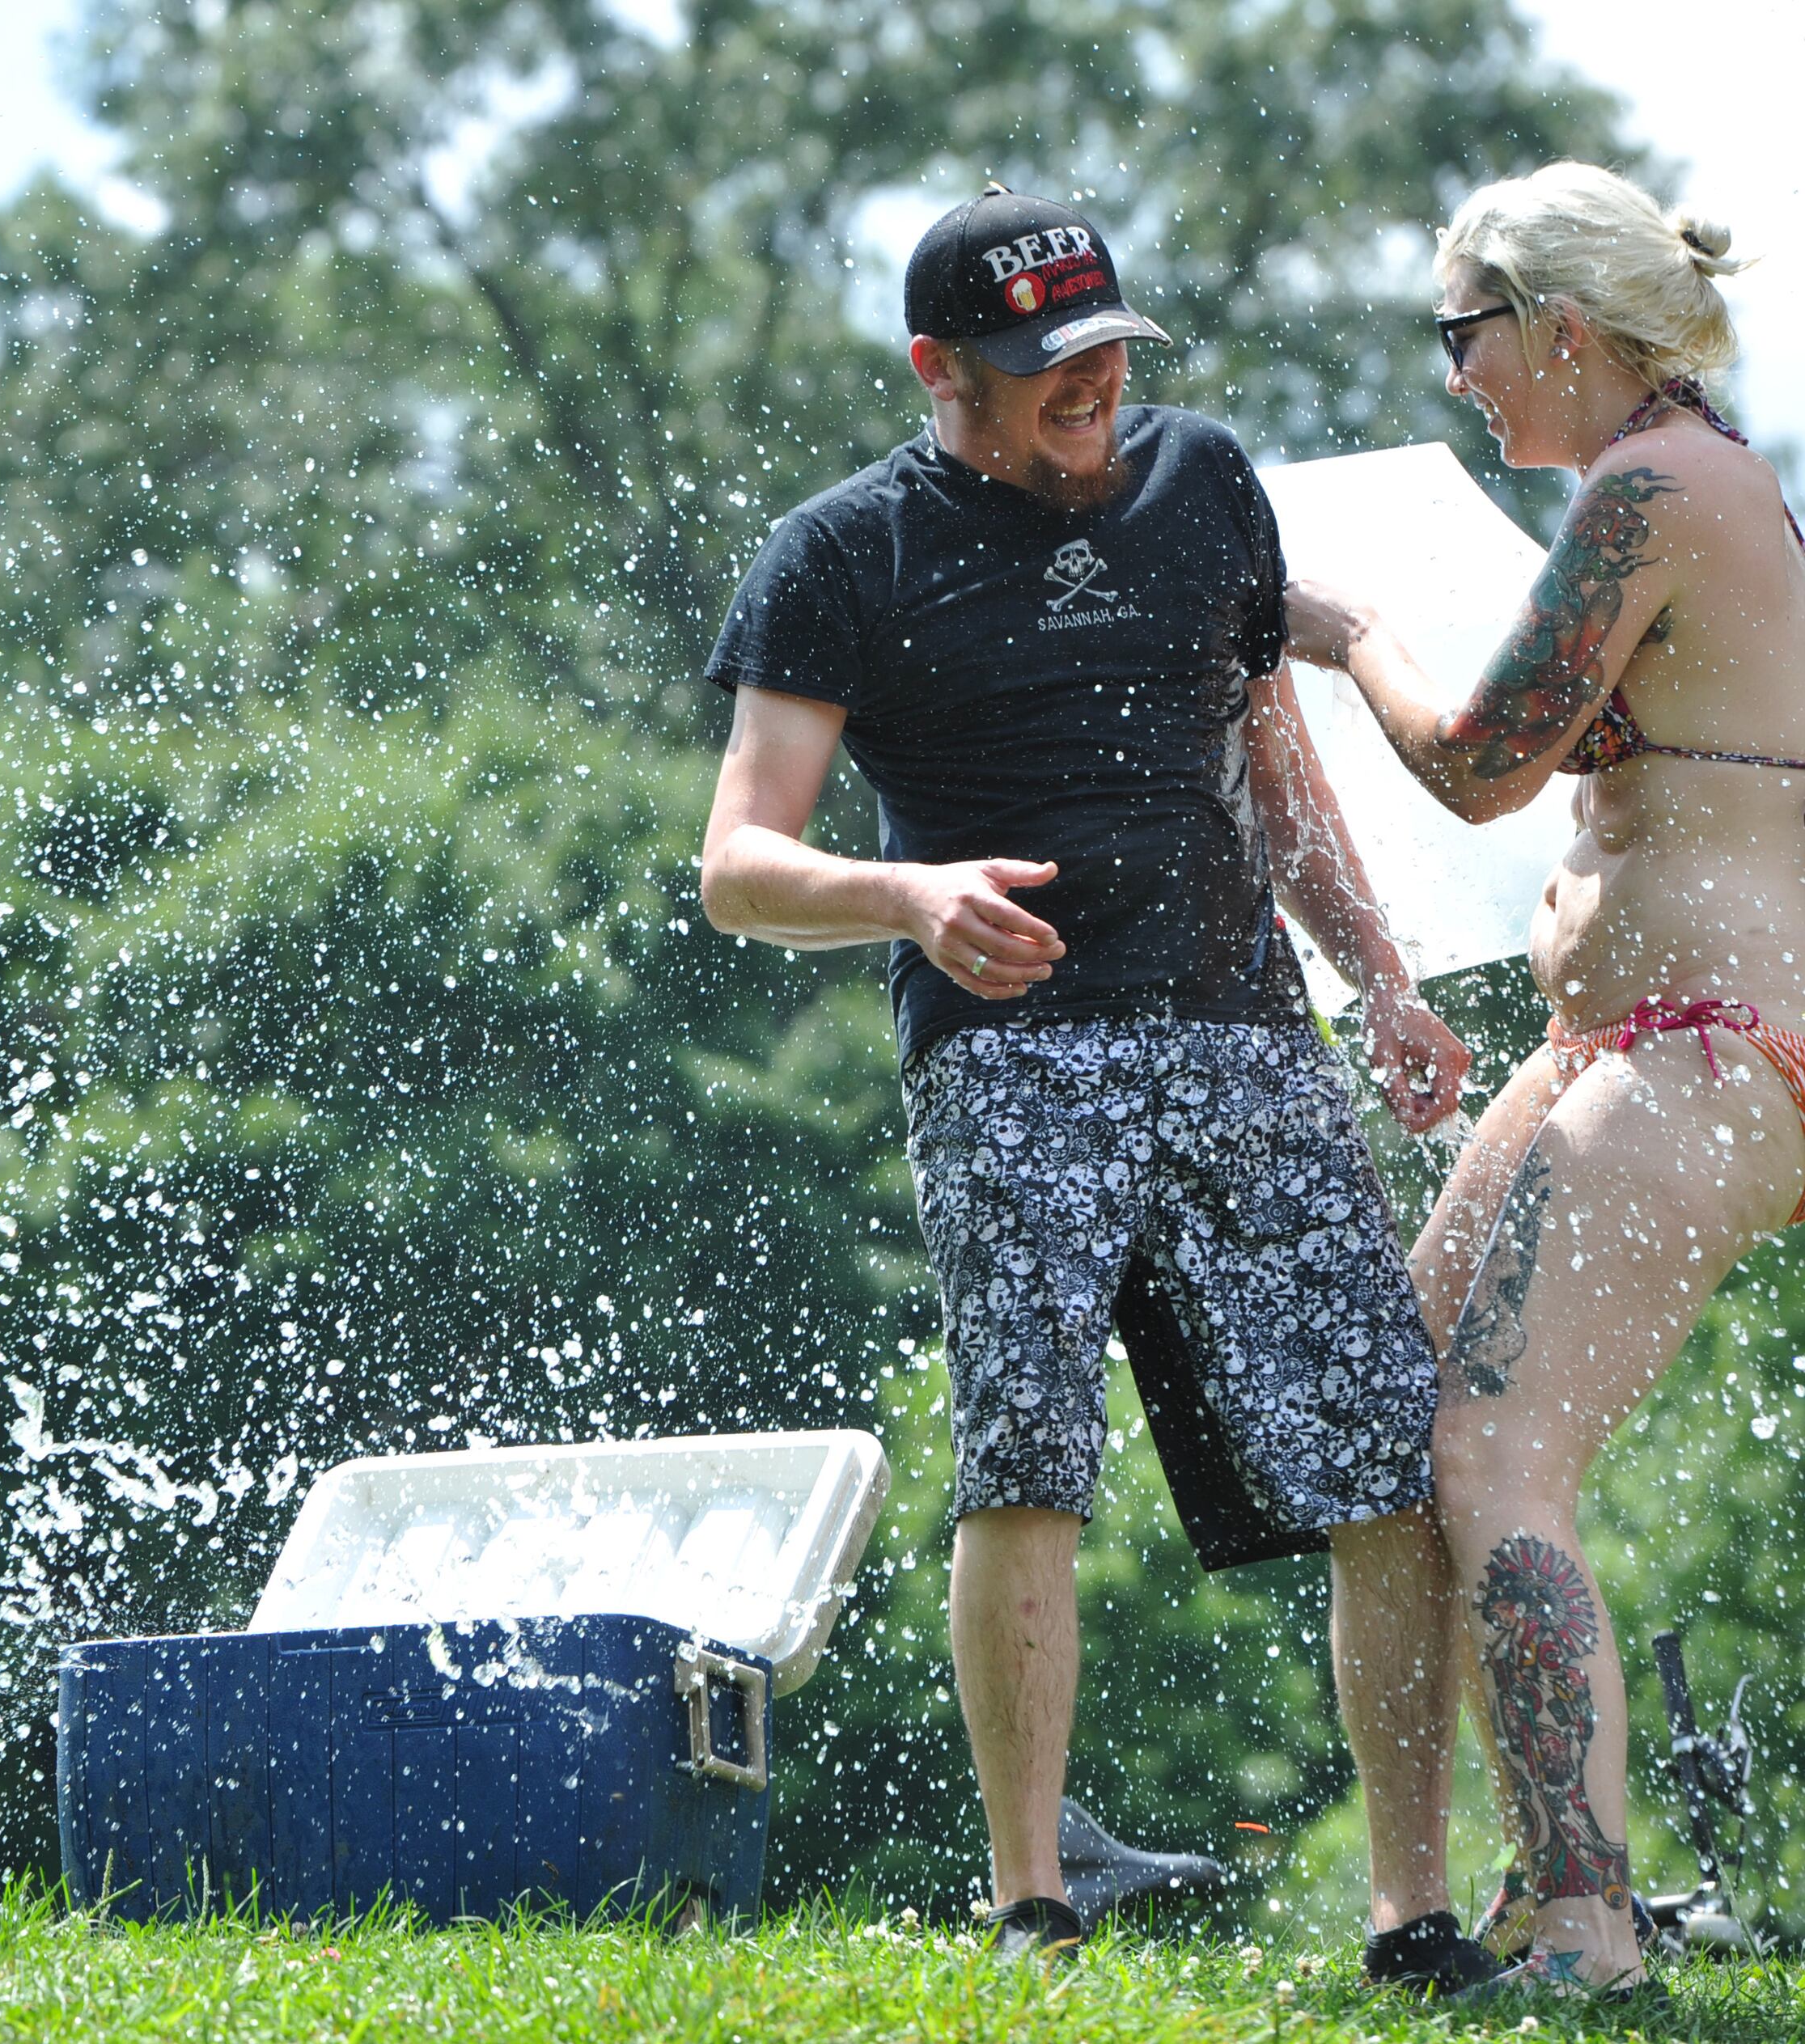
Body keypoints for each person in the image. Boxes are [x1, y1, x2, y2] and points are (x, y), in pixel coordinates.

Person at [699, 187, 1497, 1987]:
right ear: (940, 375)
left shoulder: (1202, 478)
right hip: (1013, 1059)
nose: (1094, 395)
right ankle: (1033, 1906)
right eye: (1048, 372)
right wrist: (909, 895)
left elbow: (1272, 749)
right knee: (1030, 1451)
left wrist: (1375, 975)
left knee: (1383, 1448)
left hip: (1242, 1033)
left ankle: (1413, 1916)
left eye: (1110, 357)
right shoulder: (838, 557)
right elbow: (740, 863)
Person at [1286, 163, 1799, 2001]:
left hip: (1707, 1046)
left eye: (1466, 336)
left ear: (1560, 326)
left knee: (1497, 1449)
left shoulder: (1657, 484)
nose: (1458, 380)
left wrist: (1344, 638)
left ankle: (1588, 1921)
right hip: (1635, 1041)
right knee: (1396, 1424)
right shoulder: (1668, 478)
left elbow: (1488, 763)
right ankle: (1464, 1907)